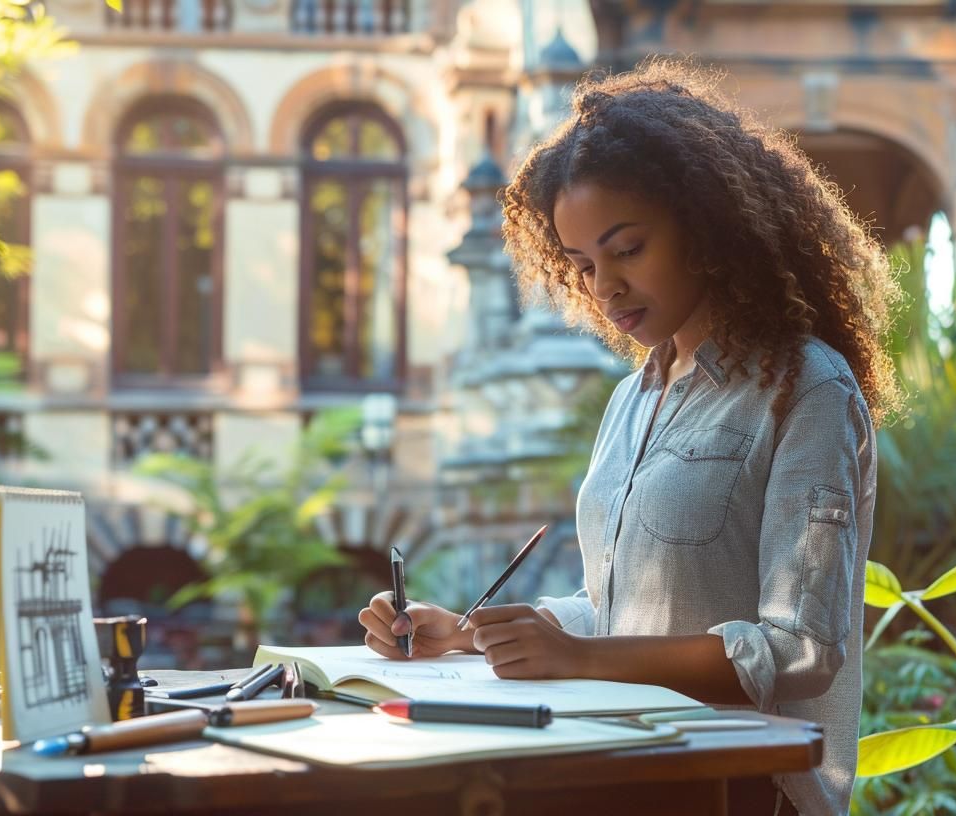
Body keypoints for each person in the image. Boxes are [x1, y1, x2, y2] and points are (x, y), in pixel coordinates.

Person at [358, 58, 902, 815]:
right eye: (580, 264)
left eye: (627, 249)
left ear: (706, 227)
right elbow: (616, 606)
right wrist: (470, 635)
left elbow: (800, 649)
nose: (602, 287)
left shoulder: (804, 387)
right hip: (624, 771)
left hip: (740, 789)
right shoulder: (631, 399)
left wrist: (579, 658)